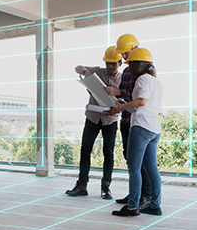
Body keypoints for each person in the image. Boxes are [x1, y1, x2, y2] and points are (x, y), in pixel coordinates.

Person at [109, 48, 163, 217]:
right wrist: (124, 105)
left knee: (134, 167)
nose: (129, 68)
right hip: (154, 128)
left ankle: (132, 206)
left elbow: (142, 101)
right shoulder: (156, 82)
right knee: (151, 169)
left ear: (139, 65)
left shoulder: (142, 79)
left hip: (141, 127)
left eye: (131, 64)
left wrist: (122, 106)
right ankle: (155, 206)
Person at [103, 34, 154, 207]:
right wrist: (117, 106)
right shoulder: (127, 71)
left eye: (125, 52)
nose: (123, 56)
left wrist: (117, 93)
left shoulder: (147, 70)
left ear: (134, 48)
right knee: (130, 159)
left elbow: (141, 97)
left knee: (143, 162)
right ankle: (135, 194)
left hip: (141, 122)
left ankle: (145, 196)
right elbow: (127, 95)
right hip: (127, 119)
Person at [66, 46, 122, 199]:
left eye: (113, 64)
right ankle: (81, 185)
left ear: (120, 63)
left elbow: (127, 95)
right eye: (108, 63)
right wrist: (86, 73)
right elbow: (78, 67)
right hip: (92, 117)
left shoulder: (122, 78)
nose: (110, 66)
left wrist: (116, 93)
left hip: (110, 119)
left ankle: (106, 187)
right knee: (85, 150)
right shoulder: (98, 71)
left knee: (108, 153)